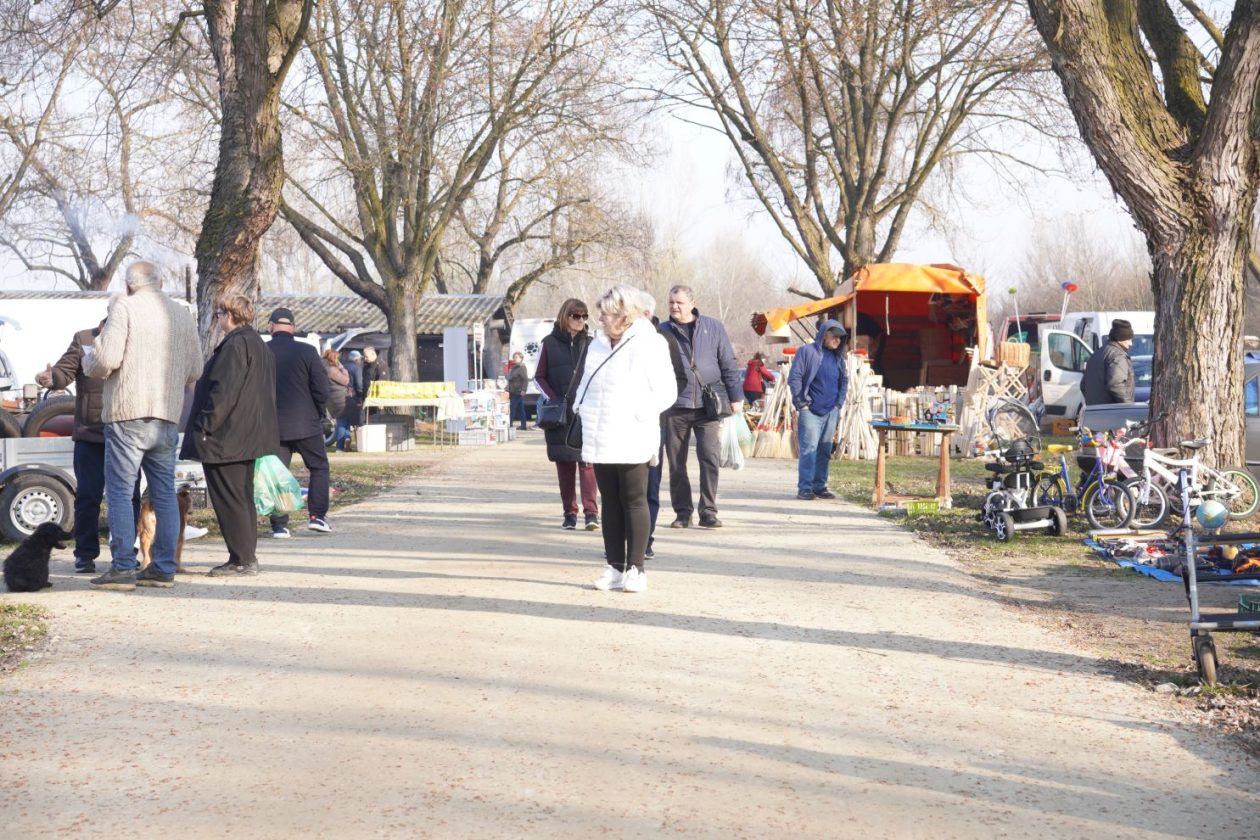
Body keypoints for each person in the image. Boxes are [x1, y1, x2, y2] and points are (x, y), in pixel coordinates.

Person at [82, 261, 202, 590]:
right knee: (164, 493)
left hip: (126, 412)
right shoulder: (182, 314)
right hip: (166, 415)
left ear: (130, 285)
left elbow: (105, 360)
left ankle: (122, 567)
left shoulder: (125, 308)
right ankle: (163, 568)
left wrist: (86, 359)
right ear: (160, 282)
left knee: (121, 492)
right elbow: (195, 370)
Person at [577, 285, 677, 593]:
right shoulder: (596, 344)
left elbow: (666, 390)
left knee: (634, 499)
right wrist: (580, 409)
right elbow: (585, 383)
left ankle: (637, 568)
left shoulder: (651, 343)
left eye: (606, 313)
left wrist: (639, 412)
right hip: (601, 431)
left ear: (625, 314)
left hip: (634, 431)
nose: (601, 318)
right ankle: (614, 567)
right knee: (610, 502)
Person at [181, 294, 279, 576]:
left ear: (230, 315)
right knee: (241, 496)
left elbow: (223, 392)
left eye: (219, 314)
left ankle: (242, 559)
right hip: (248, 433)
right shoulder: (258, 344)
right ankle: (245, 555)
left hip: (227, 436)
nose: (219, 319)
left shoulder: (236, 346)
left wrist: (204, 426)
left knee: (230, 498)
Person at [36, 320, 140, 574]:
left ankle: (126, 553)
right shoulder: (84, 338)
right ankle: (85, 555)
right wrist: (51, 379)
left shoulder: (136, 337)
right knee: (88, 497)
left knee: (130, 497)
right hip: (90, 433)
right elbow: (65, 370)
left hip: (126, 433)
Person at [660, 284, 742, 529]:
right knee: (676, 463)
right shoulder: (662, 331)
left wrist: (736, 396)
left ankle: (708, 511)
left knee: (709, 457)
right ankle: (683, 513)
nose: (674, 307)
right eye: (671, 303)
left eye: (679, 303)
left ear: (692, 303)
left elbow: (727, 362)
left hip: (709, 405)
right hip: (675, 404)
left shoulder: (713, 327)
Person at [266, 308, 333, 537]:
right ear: (293, 328)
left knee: (277, 473)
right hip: (306, 423)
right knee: (319, 467)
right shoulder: (307, 351)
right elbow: (322, 389)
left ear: (270, 326)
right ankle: (317, 516)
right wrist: (320, 411)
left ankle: (280, 525)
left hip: (273, 425)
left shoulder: (262, 352)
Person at [535, 299, 599, 530]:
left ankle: (591, 513)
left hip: (586, 413)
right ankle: (569, 513)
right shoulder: (549, 343)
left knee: (588, 464)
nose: (581, 320)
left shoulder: (593, 345)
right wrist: (554, 399)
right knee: (565, 466)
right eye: (576, 315)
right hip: (560, 415)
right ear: (565, 316)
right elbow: (538, 377)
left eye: (584, 316)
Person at [639, 293, 687, 560]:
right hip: (622, 424)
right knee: (622, 486)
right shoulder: (617, 340)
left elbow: (679, 377)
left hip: (655, 421)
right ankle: (621, 538)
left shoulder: (664, 340)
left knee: (650, 483)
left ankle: (645, 539)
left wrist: (660, 404)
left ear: (645, 313)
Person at [787, 320, 849, 501]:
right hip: (810, 411)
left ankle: (819, 486)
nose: (837, 340)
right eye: (834, 336)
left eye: (840, 337)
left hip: (831, 411)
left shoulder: (838, 358)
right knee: (809, 450)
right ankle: (805, 488)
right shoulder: (808, 352)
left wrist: (838, 404)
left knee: (824, 449)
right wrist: (802, 404)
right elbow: (795, 378)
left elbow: (844, 382)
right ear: (824, 334)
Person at [1081, 319, 1136, 405]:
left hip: (1093, 412)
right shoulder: (1118, 356)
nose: (1131, 344)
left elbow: (1083, 386)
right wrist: (1128, 406)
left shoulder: (1096, 354)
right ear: (1121, 339)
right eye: (1129, 339)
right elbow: (1116, 384)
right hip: (1113, 413)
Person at [337, 349, 364, 451]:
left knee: (343, 421)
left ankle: (344, 444)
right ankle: (343, 445)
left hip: (339, 396)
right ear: (356, 359)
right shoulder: (356, 368)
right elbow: (359, 384)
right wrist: (360, 397)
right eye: (359, 358)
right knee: (348, 421)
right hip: (352, 397)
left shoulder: (341, 366)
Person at [323, 347, 350, 436]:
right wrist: (343, 369)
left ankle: (347, 438)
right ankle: (340, 445)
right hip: (339, 399)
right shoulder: (332, 370)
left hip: (332, 399)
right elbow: (345, 380)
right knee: (342, 420)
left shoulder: (323, 368)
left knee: (344, 419)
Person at [506, 352, 530, 432]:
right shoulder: (514, 367)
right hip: (513, 391)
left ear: (521, 358)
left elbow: (525, 379)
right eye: (514, 357)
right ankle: (523, 425)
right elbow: (510, 380)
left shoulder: (522, 367)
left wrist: (524, 390)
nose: (514, 359)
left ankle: (510, 424)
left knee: (512, 407)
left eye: (516, 357)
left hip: (518, 391)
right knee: (520, 409)